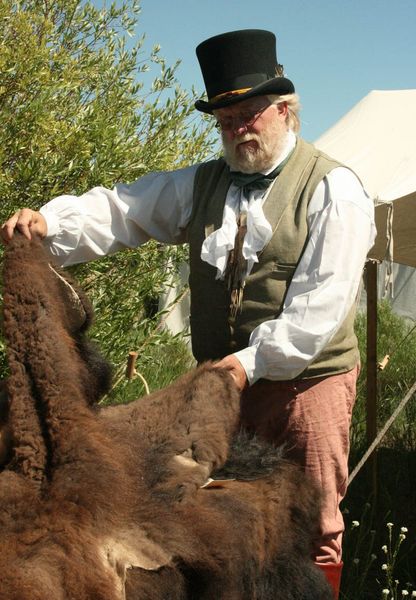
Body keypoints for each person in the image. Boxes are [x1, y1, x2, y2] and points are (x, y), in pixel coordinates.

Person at [1, 29, 375, 598]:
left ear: (284, 110)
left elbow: (316, 313)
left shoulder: (333, 190)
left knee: (313, 522)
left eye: (247, 115)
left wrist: (245, 366)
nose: (236, 130)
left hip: (306, 386)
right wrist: (50, 225)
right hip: (220, 385)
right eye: (224, 121)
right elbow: (124, 209)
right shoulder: (204, 183)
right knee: (227, 515)